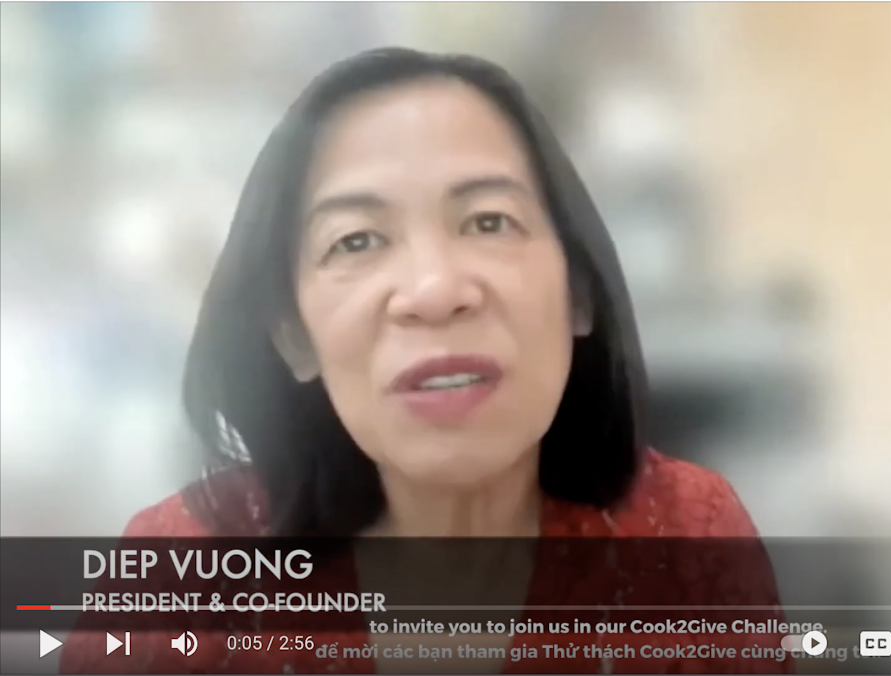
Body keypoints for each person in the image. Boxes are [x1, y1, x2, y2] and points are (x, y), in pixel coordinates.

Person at [60, 48, 792, 674]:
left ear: (578, 293)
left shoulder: (688, 538)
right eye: (356, 240)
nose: (435, 290)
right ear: (293, 335)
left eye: (489, 221)